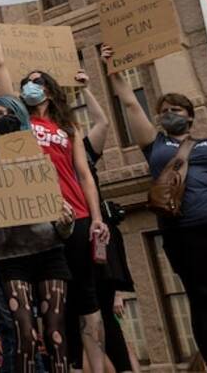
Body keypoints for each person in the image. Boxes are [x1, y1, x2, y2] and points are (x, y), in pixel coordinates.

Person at [104, 45, 207, 373]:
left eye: (176, 109)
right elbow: (128, 102)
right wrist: (113, 70)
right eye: (164, 110)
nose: (170, 113)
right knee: (202, 301)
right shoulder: (154, 144)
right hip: (184, 232)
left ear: (190, 116)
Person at [0, 3, 110, 373]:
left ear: (50, 91)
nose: (29, 86)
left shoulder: (69, 129)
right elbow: (0, 69)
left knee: (83, 301)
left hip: (75, 216)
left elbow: (85, 176)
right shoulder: (17, 121)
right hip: (32, 221)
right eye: (27, 82)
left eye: (37, 81)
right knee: (42, 314)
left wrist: (97, 218)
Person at [0, 94, 76, 373]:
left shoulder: (43, 158)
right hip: (11, 257)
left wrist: (65, 221)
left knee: (55, 332)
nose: (3, 120)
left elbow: (63, 220)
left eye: (7, 114)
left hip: (49, 251)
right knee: (24, 334)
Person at [75, 64, 139, 373]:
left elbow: (101, 122)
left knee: (103, 311)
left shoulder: (86, 149)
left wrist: (84, 88)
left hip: (95, 237)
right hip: (66, 237)